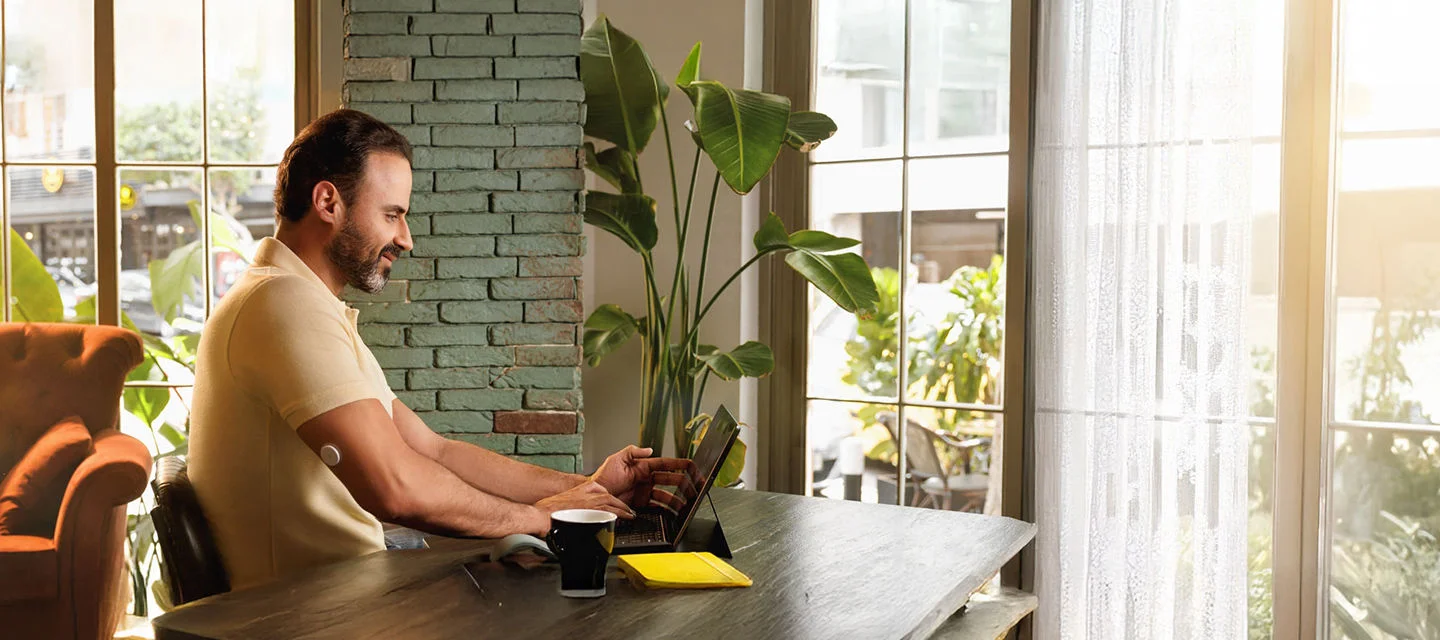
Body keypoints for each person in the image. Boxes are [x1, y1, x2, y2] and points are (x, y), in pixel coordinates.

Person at [189, 109, 693, 592]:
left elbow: (433, 451)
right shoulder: (283, 304)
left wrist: (588, 488)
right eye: (392, 214)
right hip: (307, 613)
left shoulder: (298, 301)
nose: (405, 239)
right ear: (328, 203)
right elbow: (397, 487)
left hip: (344, 592)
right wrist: (544, 519)